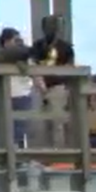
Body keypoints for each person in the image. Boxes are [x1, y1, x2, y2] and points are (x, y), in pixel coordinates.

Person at [28, 14, 76, 148]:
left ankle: (58, 154)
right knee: (38, 123)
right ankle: (42, 153)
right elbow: (31, 64)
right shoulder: (37, 46)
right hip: (39, 87)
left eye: (53, 26)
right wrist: (39, 81)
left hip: (58, 87)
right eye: (48, 26)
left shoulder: (65, 48)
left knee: (57, 122)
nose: (51, 29)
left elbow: (70, 68)